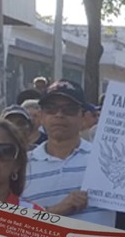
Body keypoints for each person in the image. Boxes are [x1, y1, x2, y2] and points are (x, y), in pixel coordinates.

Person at [25, 80, 99, 222]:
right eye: (51, 108)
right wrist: (56, 210)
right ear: (41, 116)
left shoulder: (104, 160)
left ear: (83, 116)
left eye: (69, 109)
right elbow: (12, 222)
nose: (59, 115)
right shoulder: (22, 165)